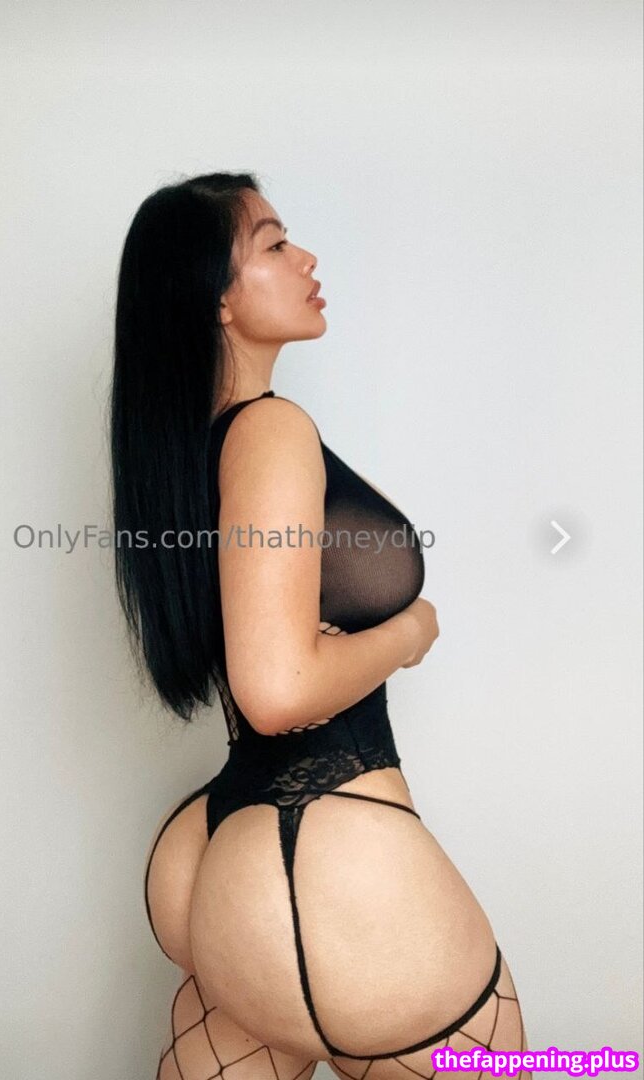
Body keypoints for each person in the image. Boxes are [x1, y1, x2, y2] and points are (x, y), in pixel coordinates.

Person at [110, 172, 532, 1079]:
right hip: (328, 856)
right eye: (272, 243)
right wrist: (408, 634)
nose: (304, 258)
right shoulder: (269, 433)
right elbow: (275, 692)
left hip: (224, 862)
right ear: (216, 299)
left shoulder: (188, 450)